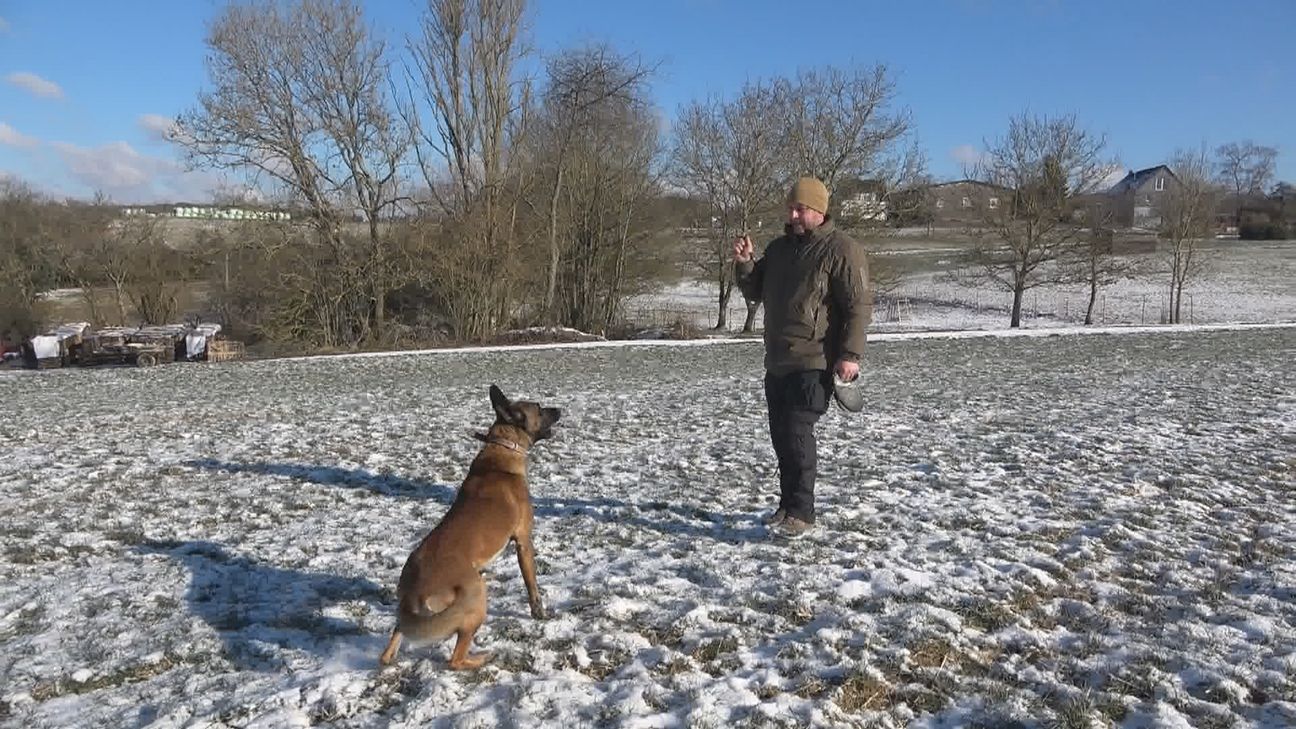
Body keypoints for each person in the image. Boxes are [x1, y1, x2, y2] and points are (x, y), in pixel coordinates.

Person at [733, 176, 870, 537]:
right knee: (781, 435)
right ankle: (786, 505)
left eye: (801, 209)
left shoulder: (842, 250)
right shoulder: (779, 250)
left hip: (815, 361)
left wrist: (851, 355)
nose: (792, 214)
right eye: (791, 207)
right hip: (777, 360)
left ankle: (803, 512)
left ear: (819, 211)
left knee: (797, 433)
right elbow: (755, 290)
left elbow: (858, 307)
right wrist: (746, 263)